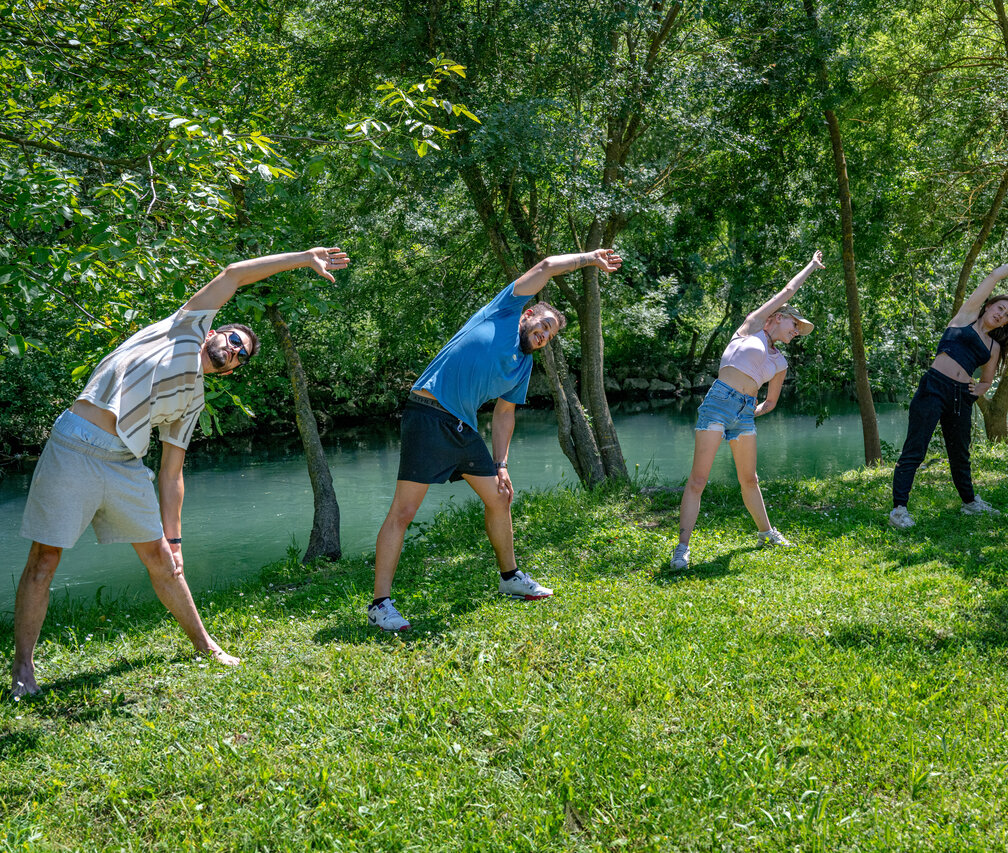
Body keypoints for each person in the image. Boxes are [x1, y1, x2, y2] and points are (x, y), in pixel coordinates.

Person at [9, 246, 350, 698]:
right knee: (44, 562)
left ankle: (205, 646)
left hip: (124, 462)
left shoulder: (193, 400)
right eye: (232, 339)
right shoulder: (185, 326)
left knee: (163, 563)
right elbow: (233, 273)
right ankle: (22, 670)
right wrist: (304, 258)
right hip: (75, 446)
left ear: (232, 370)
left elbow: (172, 473)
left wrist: (175, 540)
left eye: (239, 354)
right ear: (217, 330)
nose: (231, 350)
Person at [368, 249, 622, 631]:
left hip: (461, 426)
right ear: (527, 315)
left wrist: (501, 464)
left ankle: (510, 578)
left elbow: (505, 414)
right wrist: (591, 259)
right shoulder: (502, 312)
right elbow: (548, 267)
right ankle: (379, 605)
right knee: (403, 513)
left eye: (550, 335)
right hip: (427, 413)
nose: (543, 336)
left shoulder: (523, 366)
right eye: (543, 325)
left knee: (500, 496)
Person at [669, 251, 823, 570]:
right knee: (698, 480)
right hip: (717, 403)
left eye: (799, 329)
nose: (796, 331)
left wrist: (750, 412)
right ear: (777, 317)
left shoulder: (780, 362)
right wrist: (810, 266)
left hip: (743, 413)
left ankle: (766, 533)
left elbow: (772, 402)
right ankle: (681, 549)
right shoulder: (751, 328)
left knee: (749, 479)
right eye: (794, 324)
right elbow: (786, 292)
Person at [888, 249, 1008, 529]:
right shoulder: (966, 316)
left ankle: (970, 503)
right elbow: (995, 274)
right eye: (1000, 308)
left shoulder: (993, 347)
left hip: (961, 398)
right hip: (934, 388)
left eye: (1007, 316)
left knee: (960, 453)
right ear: (988, 305)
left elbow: (986, 379)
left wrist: (978, 390)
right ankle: (899, 509)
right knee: (915, 449)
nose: (1001, 315)